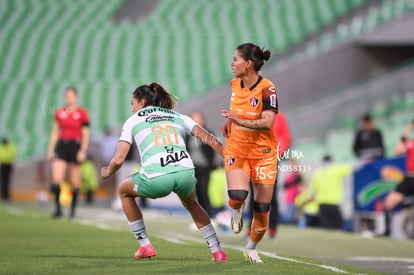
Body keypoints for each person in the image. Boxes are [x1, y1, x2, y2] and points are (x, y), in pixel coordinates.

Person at [100, 82, 227, 261]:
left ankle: (145, 246)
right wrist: (230, 159)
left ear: (142, 101)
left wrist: (108, 172)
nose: (131, 109)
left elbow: (119, 159)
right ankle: (217, 251)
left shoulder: (133, 120)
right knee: (193, 205)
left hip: (157, 178)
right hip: (185, 173)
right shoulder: (177, 115)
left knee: (123, 190)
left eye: (132, 103)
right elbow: (212, 140)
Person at [221, 43, 278, 263]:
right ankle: (236, 210)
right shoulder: (235, 84)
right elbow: (236, 106)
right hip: (237, 148)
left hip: (263, 153)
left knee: (262, 210)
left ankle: (251, 248)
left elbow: (268, 122)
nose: (231, 63)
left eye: (235, 59)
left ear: (248, 63)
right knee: (237, 197)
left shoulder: (268, 89)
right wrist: (229, 121)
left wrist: (239, 120)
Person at [247, 110, 291, 238]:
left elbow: (286, 138)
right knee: (254, 194)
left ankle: (272, 227)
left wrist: (278, 154)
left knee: (271, 195)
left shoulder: (279, 116)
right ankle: (251, 227)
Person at [47, 87, 90, 218]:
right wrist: (50, 149)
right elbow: (55, 132)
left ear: (76, 97)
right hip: (62, 145)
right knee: (56, 178)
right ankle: (58, 209)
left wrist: (82, 150)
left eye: (71, 96)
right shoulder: (59, 112)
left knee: (75, 181)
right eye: (67, 96)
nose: (69, 98)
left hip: (75, 146)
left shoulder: (82, 113)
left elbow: (86, 134)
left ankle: (72, 211)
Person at [383, 121, 414, 236]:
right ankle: (387, 231)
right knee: (388, 203)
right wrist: (404, 135)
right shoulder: (410, 142)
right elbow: (398, 151)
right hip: (409, 177)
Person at [185, 112, 216, 217]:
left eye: (197, 119)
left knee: (204, 192)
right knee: (194, 194)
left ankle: (209, 216)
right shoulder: (188, 135)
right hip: (192, 168)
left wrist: (212, 163)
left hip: (204, 167)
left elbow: (214, 150)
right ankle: (199, 217)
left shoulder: (208, 133)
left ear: (202, 120)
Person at [309, 155, 352, 230]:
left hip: (321, 203)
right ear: (331, 161)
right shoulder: (335, 169)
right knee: (338, 225)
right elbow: (351, 167)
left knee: (325, 226)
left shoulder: (317, 172)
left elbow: (313, 192)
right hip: (333, 202)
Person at [0, 137, 17, 201]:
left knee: (7, 181)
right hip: (3, 165)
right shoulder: (1, 147)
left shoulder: (11, 146)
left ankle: (7, 196)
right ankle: (3, 196)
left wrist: (13, 162)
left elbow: (14, 155)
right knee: (3, 181)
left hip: (9, 165)